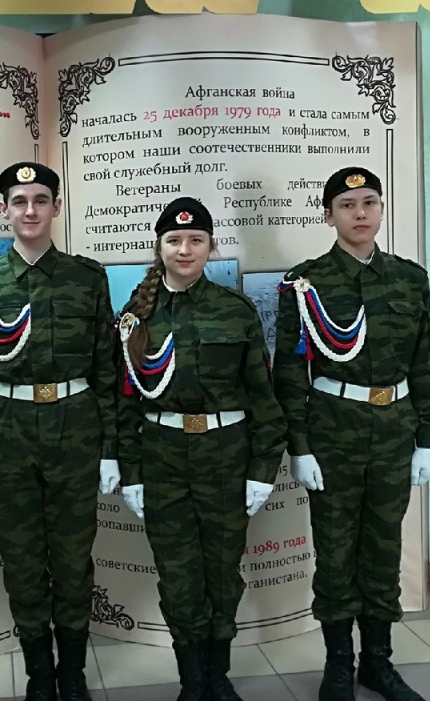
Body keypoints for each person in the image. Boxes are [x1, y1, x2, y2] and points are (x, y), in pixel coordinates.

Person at [272, 167, 430, 701]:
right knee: (335, 552)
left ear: (381, 209)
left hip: (394, 430)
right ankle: (339, 667)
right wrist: (299, 446)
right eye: (347, 205)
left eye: (370, 202)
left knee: (383, 550)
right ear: (329, 216)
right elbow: (289, 373)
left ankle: (378, 663)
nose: (360, 213)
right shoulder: (304, 284)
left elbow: (424, 362)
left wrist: (429, 437)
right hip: (333, 434)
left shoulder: (410, 279)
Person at [116, 197, 287, 701]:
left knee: (223, 573)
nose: (185, 249)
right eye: (174, 240)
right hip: (162, 458)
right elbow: (123, 403)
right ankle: (192, 682)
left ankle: (218, 677)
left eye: (196, 240)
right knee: (177, 576)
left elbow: (263, 397)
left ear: (210, 246)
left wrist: (262, 470)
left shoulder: (236, 311)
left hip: (225, 457)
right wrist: (131, 472)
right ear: (160, 246)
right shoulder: (136, 316)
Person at [0, 162, 119, 701]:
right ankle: (39, 676)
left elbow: (105, 369)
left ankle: (72, 674)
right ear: (3, 208)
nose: (30, 210)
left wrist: (110, 450)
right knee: (23, 561)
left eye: (40, 200)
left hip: (75, 428)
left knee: (73, 561)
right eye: (19, 200)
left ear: (56, 206)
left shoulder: (87, 277)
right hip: (8, 433)